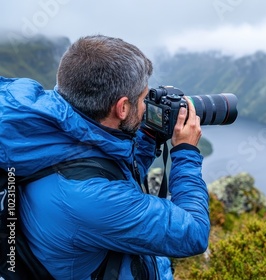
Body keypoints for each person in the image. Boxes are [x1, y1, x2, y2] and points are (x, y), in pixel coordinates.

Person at [0, 35, 210, 279]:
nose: (146, 107)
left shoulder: (50, 129)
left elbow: (106, 170)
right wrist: (185, 153)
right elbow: (194, 233)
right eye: (143, 99)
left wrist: (148, 136)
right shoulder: (91, 198)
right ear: (122, 108)